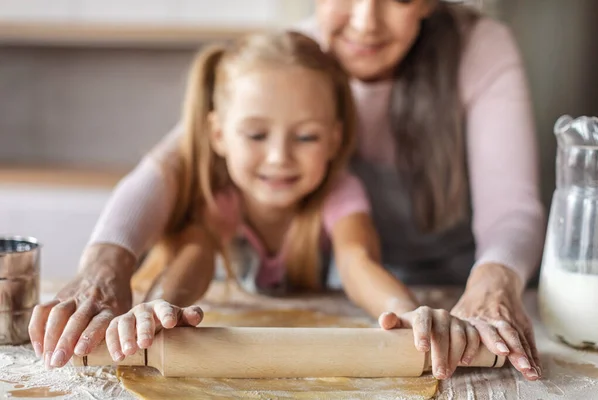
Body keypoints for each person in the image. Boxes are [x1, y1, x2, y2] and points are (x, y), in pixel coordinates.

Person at [29, 0, 545, 381]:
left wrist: (476, 289)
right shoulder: (292, 58)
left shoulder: (480, 47)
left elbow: (507, 210)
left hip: (458, 297)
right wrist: (119, 275)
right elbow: (171, 174)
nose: (366, 19)